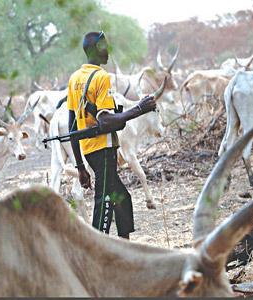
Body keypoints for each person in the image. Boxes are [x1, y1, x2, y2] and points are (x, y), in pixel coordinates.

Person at [67, 31, 157, 239]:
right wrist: (139, 109)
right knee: (104, 202)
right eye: (104, 46)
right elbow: (106, 121)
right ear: (94, 49)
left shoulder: (74, 79)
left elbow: (73, 128)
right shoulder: (101, 77)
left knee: (122, 198)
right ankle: (98, 249)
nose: (107, 50)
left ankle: (124, 246)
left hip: (90, 151)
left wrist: (80, 166)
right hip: (104, 150)